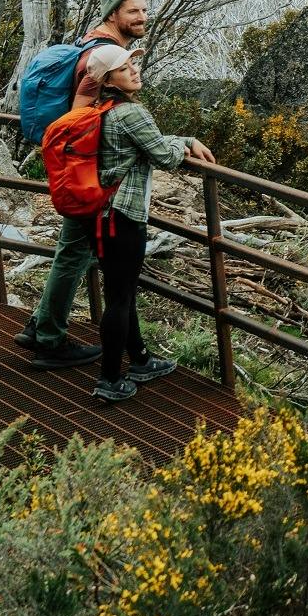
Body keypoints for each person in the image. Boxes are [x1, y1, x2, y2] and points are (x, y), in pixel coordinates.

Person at [16, 0, 151, 367]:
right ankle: (49, 339)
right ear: (113, 13)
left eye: (144, 10)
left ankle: (41, 325)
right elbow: (80, 116)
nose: (142, 17)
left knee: (72, 250)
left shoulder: (95, 45)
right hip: (88, 176)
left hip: (81, 171)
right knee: (74, 252)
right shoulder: (100, 55)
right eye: (133, 11)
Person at [73, 41, 215, 404]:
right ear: (109, 80)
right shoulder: (131, 113)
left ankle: (140, 360)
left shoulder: (101, 109)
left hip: (101, 214)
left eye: (133, 65)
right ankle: (109, 379)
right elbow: (164, 156)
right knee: (120, 298)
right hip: (122, 216)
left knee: (121, 292)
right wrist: (183, 146)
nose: (134, 71)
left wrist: (184, 139)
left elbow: (146, 143)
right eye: (124, 68)